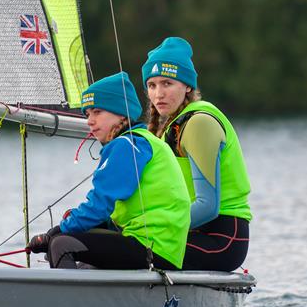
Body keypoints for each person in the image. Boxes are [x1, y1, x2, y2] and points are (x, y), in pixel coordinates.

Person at [26, 71, 190, 270]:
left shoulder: (127, 144)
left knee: (61, 244)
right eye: (87, 114)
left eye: (97, 112)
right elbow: (111, 212)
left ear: (121, 113)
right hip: (159, 247)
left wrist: (57, 231)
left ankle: (68, 301)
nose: (89, 121)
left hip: (153, 247)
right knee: (82, 248)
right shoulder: (141, 141)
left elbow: (100, 202)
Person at [142, 37, 252, 272]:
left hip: (222, 239)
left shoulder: (199, 122)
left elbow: (207, 206)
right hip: (192, 231)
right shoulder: (168, 128)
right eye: (152, 86)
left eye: (167, 83)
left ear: (188, 86)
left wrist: (151, 230)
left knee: (128, 248)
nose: (158, 94)